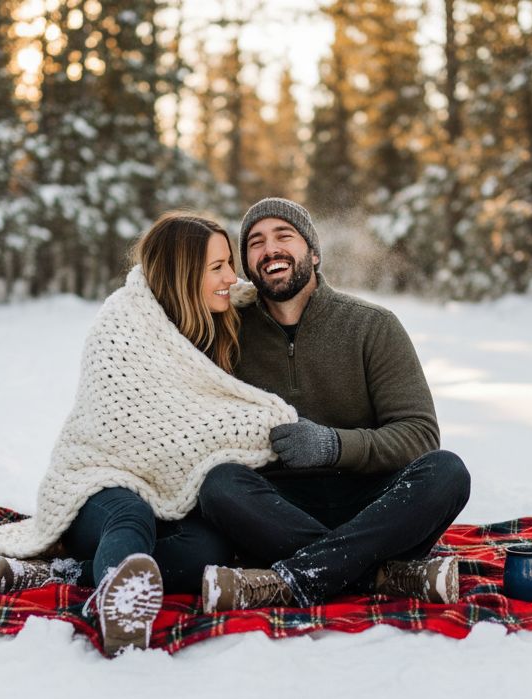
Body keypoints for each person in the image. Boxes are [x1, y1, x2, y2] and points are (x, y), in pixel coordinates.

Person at [0, 212, 297, 655]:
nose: (230, 277)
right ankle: (119, 610)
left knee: (207, 548)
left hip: (172, 497)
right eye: (216, 267)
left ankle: (62, 574)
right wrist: (269, 425)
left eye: (229, 264)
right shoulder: (122, 326)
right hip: (98, 480)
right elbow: (161, 430)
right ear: (183, 274)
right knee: (131, 517)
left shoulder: (220, 317)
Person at [197, 198, 472, 611]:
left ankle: (290, 577)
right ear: (248, 265)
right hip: (277, 509)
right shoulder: (227, 334)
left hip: (372, 504)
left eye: (283, 236)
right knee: (218, 484)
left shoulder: (371, 326)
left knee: (447, 471)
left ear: (314, 252)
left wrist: (334, 445)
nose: (270, 249)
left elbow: (419, 434)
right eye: (255, 242)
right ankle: (380, 575)